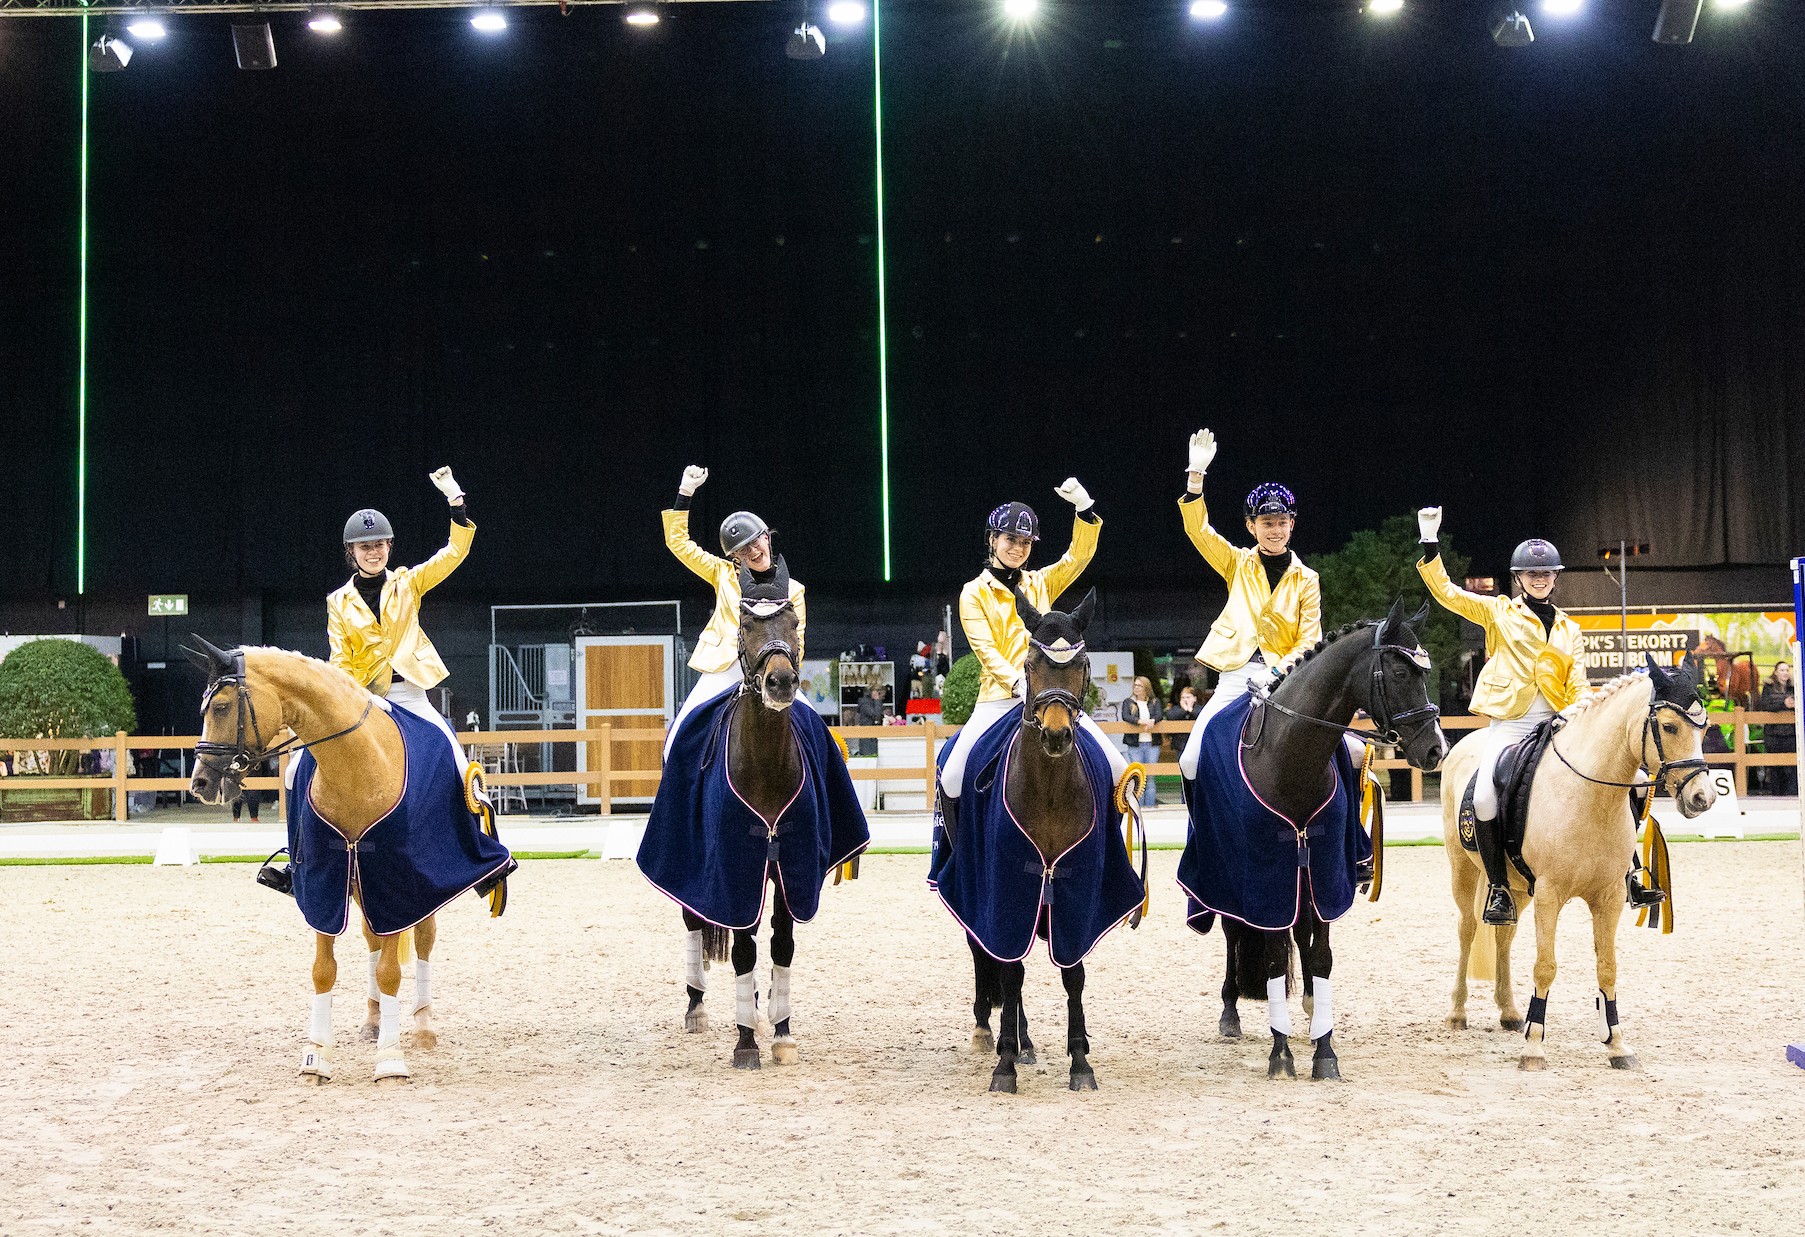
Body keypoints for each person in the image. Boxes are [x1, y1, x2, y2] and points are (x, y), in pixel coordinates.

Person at [1416, 507, 1663, 926]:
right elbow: (1449, 595)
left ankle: (1629, 870)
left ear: (1555, 577)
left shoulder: (1569, 628)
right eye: (1532, 574)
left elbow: (1579, 682)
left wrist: (1576, 711)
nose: (1541, 578)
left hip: (1560, 723)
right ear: (1518, 578)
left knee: (1632, 782)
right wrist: (1429, 541)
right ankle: (1497, 887)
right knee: (1484, 796)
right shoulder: (1498, 612)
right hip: (1511, 724)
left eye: (1547, 573)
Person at [938, 479, 1126, 839]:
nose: (1018, 548)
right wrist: (1016, 682)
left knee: (1119, 770)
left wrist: (1085, 511)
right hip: (997, 699)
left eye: (1025, 543)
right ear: (993, 540)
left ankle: (1105, 853)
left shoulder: (1040, 582)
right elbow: (986, 650)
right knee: (951, 777)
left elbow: (1078, 557)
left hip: (1048, 696)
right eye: (1011, 540)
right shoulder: (973, 593)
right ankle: (960, 854)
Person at [1175, 429, 1323, 779]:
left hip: (1286, 679)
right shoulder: (1237, 562)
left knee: (1346, 752)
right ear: (1251, 526)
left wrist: (1276, 671)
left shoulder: (1308, 579)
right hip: (1236, 677)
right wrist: (1196, 478)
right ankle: (1202, 833)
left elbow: (1310, 640)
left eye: (1282, 523)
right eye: (1267, 523)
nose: (1275, 530)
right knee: (1190, 761)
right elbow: (1199, 531)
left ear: (1292, 524)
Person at [328, 468, 473, 765]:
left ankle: (475, 806)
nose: (373, 552)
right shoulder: (338, 602)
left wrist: (456, 503)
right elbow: (340, 660)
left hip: (410, 695)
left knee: (457, 760)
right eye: (365, 546)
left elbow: (454, 552)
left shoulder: (408, 583)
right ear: (351, 551)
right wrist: (348, 699)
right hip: (364, 698)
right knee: (300, 765)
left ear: (389, 546)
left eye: (379, 545)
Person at [661, 464, 806, 756]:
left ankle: (831, 798)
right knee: (678, 738)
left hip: (772, 668)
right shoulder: (722, 573)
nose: (752, 551)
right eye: (742, 550)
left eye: (755, 542)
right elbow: (678, 543)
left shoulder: (794, 589)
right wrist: (685, 493)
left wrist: (783, 669)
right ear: (734, 557)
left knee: (818, 733)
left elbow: (797, 640)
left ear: (767, 537)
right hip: (724, 668)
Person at [1122, 676, 1162, 806]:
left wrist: (1153, 721)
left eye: (1139, 685)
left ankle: (1150, 807)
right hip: (1135, 744)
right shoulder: (1128, 702)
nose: (1136, 688)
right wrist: (1140, 721)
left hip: (1151, 743)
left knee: (1150, 777)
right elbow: (1125, 716)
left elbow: (1159, 715)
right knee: (1137, 777)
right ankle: (1138, 808)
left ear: (1146, 688)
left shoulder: (1155, 702)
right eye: (1135, 685)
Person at [1759, 661, 1796, 796]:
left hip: (1791, 733)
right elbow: (1765, 705)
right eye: (1782, 670)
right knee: (1775, 766)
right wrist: (1784, 703)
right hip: (1773, 733)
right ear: (1776, 672)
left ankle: (1791, 793)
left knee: (1791, 766)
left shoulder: (1794, 687)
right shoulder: (1768, 687)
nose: (1785, 673)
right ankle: (1776, 793)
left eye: (1787, 670)